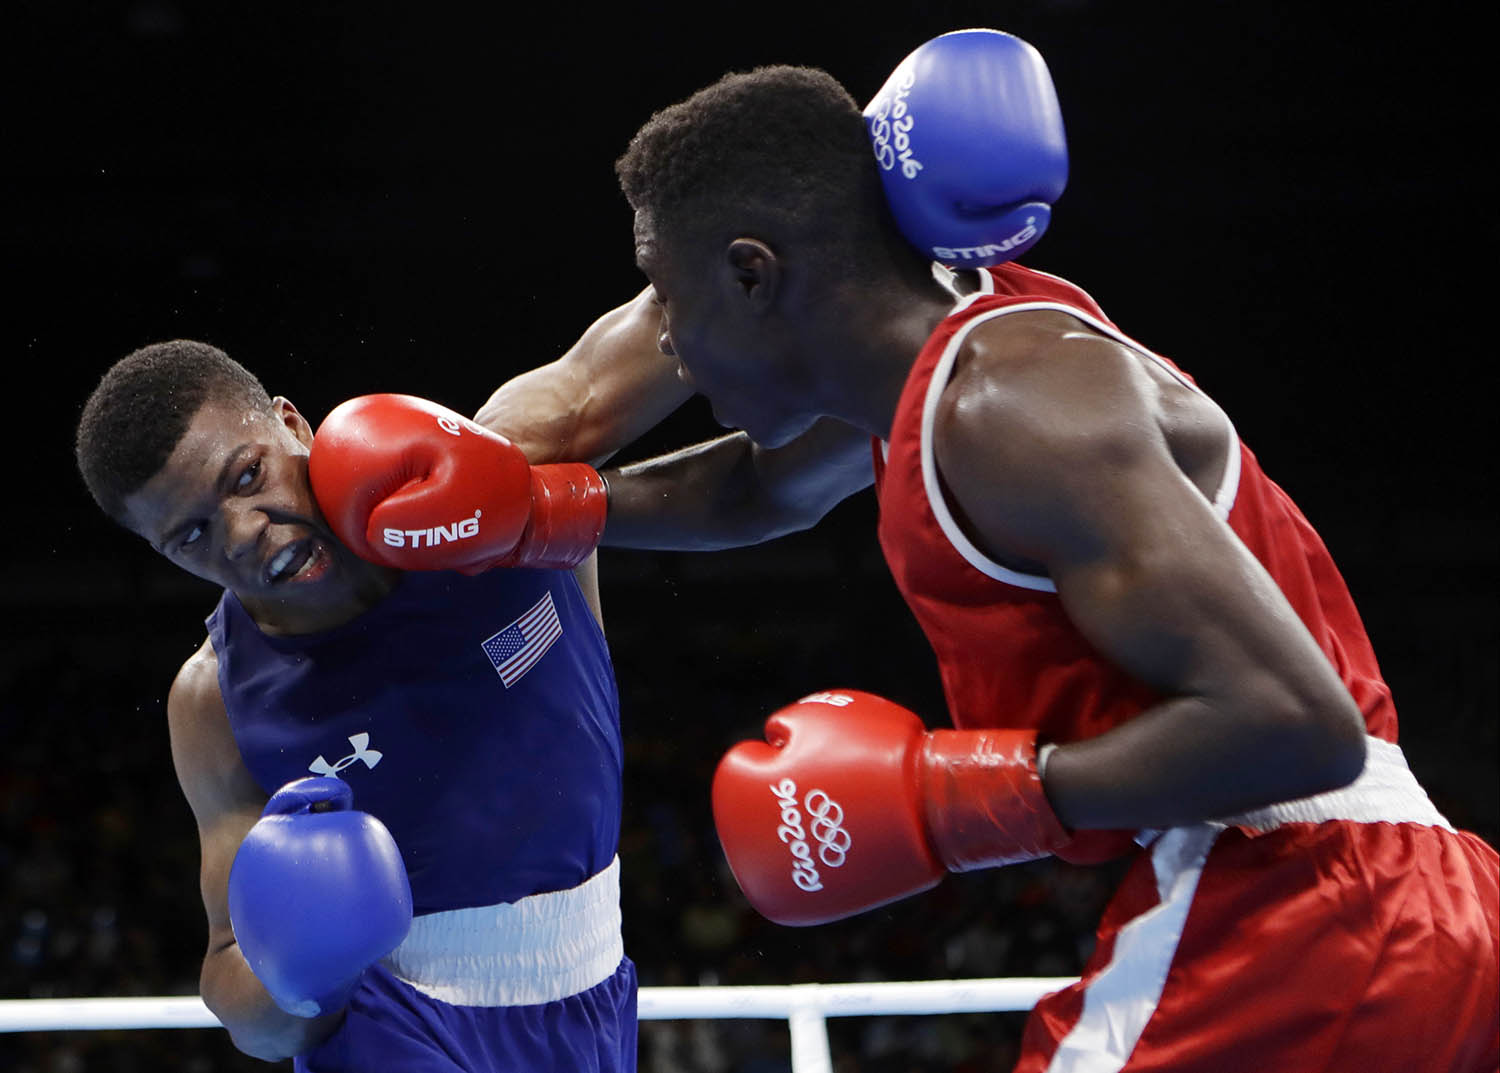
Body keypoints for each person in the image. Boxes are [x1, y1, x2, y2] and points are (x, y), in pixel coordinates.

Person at [464, 31, 1499, 1072]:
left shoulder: (1007, 406)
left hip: (1307, 901)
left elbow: (1300, 723)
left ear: (751, 274)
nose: (671, 347)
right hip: (1369, 898)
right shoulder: (934, 379)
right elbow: (757, 488)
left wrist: (953, 801)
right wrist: (552, 511)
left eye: (666, 296)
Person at [71, 325, 681, 1071]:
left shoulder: (485, 479)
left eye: (245, 476)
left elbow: (677, 320)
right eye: (191, 535)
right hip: (391, 1026)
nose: (242, 533)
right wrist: (297, 978)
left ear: (290, 421)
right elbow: (239, 989)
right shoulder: (214, 698)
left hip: (593, 992)